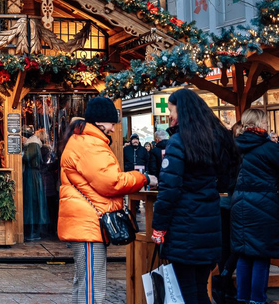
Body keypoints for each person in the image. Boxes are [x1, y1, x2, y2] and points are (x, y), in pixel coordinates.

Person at [58, 97, 154, 304]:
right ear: (101, 122)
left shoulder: (84, 140)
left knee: (84, 283)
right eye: (112, 123)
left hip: (86, 222)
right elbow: (111, 182)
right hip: (88, 224)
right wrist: (143, 178)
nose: (112, 128)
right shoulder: (90, 144)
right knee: (92, 287)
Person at [151, 88, 236, 304]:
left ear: (183, 111)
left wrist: (159, 228)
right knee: (200, 291)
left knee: (187, 292)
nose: (170, 116)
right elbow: (227, 179)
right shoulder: (216, 140)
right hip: (209, 225)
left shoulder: (179, 143)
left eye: (172, 111)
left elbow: (169, 191)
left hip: (184, 227)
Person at [231, 108, 279, 304]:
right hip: (263, 206)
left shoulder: (236, 145)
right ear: (259, 124)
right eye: (265, 122)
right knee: (261, 255)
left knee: (244, 254)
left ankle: (242, 298)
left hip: (239, 205)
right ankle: (257, 300)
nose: (267, 125)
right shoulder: (268, 147)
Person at [22, 126, 48, 241]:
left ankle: (32, 231)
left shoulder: (32, 144)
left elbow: (26, 157)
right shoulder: (34, 144)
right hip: (32, 175)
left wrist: (21, 152)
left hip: (31, 176)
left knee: (32, 202)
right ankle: (33, 231)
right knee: (33, 202)